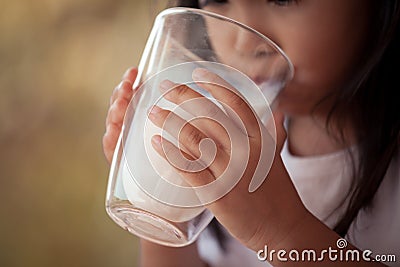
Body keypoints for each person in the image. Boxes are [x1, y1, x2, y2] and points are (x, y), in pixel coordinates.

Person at [103, 0, 400, 266]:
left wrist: (283, 233)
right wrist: (159, 201)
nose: (244, 42)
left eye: (282, 0)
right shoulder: (226, 145)